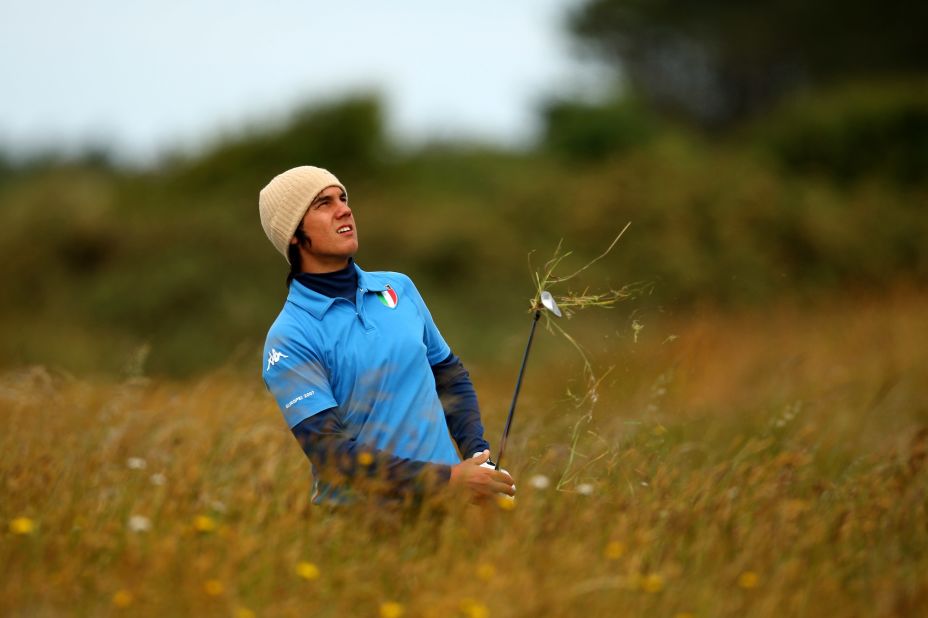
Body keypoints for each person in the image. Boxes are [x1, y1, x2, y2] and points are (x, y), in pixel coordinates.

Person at [258, 165, 515, 507]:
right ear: (292, 232)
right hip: (364, 522)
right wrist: (452, 478)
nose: (344, 209)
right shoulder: (289, 336)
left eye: (343, 197)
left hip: (450, 509)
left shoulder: (399, 287)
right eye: (323, 203)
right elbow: (331, 456)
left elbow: (449, 376)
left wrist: (476, 454)